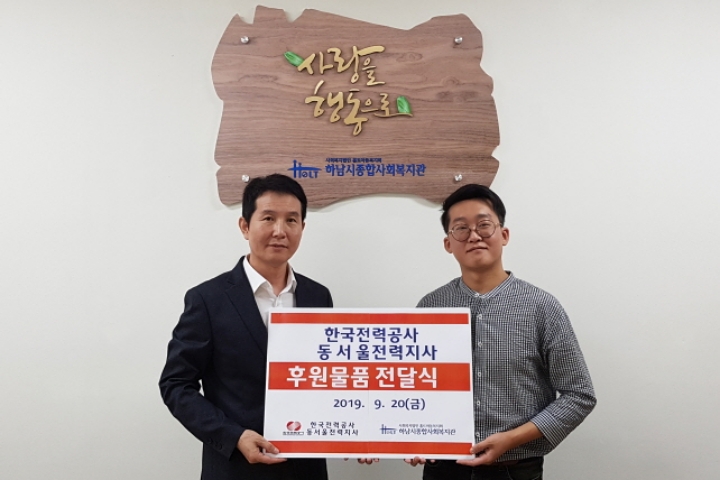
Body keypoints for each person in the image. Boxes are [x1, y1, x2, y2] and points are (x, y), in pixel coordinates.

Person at [407, 184, 596, 479]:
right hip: (441, 469)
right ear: (448, 243)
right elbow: (413, 386)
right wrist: (405, 434)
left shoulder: (541, 307)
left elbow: (579, 395)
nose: (474, 236)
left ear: (504, 234)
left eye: (484, 225)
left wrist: (512, 438)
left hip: (514, 470)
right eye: (461, 228)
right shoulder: (430, 307)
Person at [160, 174, 332, 480]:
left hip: (306, 469)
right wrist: (233, 435)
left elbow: (330, 377)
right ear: (244, 226)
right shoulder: (208, 299)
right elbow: (176, 384)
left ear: (302, 228)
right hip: (236, 468)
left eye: (291, 220)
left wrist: (364, 431)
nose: (280, 231)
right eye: (268, 218)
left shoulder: (318, 296)